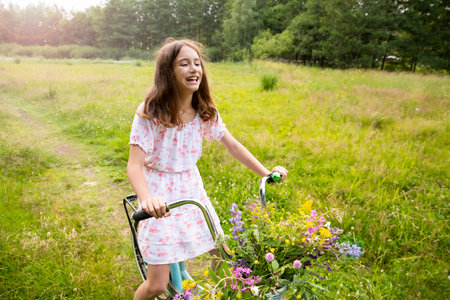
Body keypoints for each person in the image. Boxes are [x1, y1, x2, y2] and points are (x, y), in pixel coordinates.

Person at [127, 38, 288, 300]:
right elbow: (134, 165)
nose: (194, 69)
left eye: (197, 63)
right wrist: (147, 200)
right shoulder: (151, 111)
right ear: (168, 71)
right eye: (184, 64)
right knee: (157, 284)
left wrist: (265, 173)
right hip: (158, 192)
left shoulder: (203, 111)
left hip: (192, 189)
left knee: (222, 256)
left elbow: (232, 146)